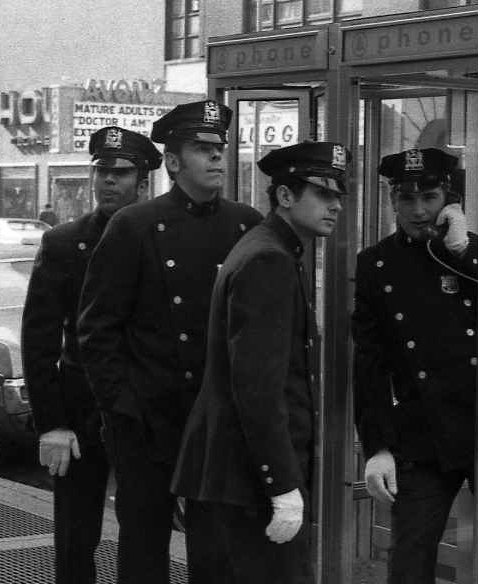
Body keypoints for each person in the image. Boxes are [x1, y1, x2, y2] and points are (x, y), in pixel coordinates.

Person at [77, 100, 262, 584]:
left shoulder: (245, 224)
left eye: (219, 147)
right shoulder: (133, 226)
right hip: (148, 421)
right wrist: (122, 408)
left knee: (217, 551)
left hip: (216, 420)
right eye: (202, 148)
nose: (217, 157)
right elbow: (98, 329)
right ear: (174, 162)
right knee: (143, 548)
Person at [172, 141, 349, 584]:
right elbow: (257, 388)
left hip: (236, 476)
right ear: (286, 196)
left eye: (338, 196)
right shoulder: (269, 259)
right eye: (323, 194)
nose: (335, 206)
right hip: (248, 480)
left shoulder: (271, 248)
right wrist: (281, 484)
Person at [22, 126, 161, 584]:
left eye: (120, 173)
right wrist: (52, 423)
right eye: (101, 171)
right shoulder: (64, 243)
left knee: (144, 534)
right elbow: (39, 338)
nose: (108, 181)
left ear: (142, 181)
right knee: (76, 536)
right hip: (80, 411)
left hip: (143, 410)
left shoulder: (162, 241)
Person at [352, 148, 477, 584]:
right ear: (392, 202)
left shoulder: (475, 253)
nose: (419, 210)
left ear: (451, 200)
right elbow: (368, 364)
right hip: (423, 437)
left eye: (430, 197)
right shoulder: (376, 263)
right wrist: (377, 446)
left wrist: (464, 253)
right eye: (407, 198)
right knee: (409, 558)